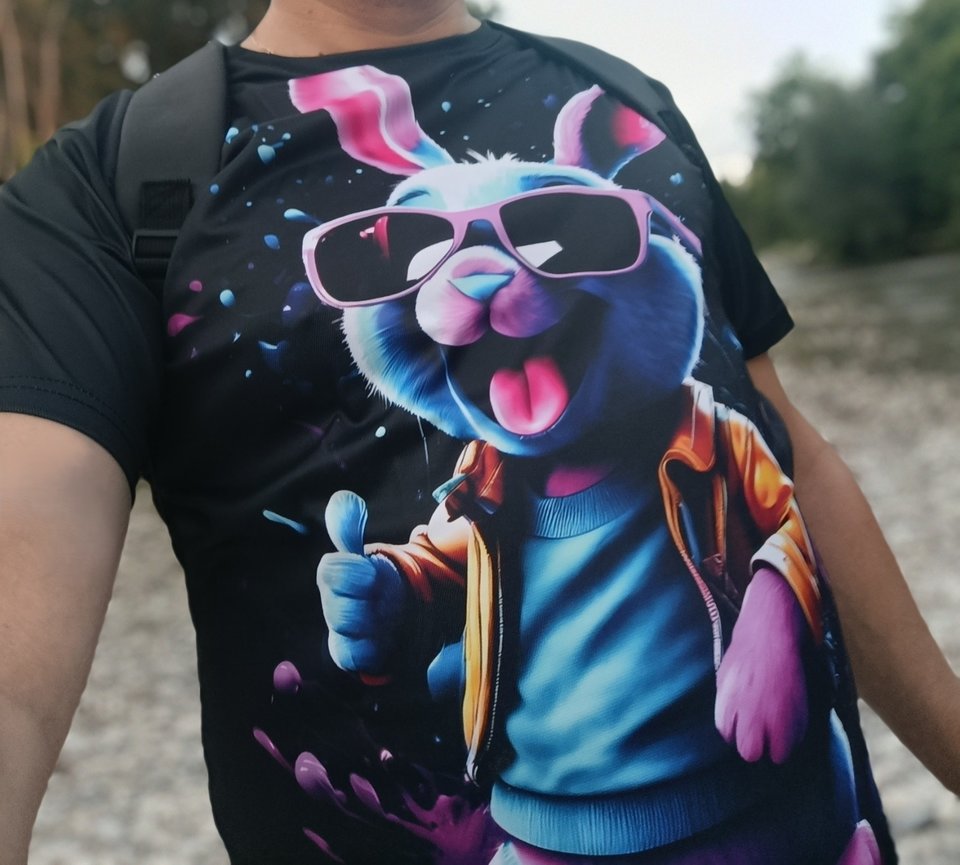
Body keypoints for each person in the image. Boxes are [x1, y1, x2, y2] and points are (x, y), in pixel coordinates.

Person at [1, 1, 958, 863]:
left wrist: (786, 609)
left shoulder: (631, 99)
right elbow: (22, 568)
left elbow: (793, 465)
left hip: (781, 816)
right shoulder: (112, 184)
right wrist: (389, 594)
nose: (488, 277)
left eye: (560, 233)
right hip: (546, 833)